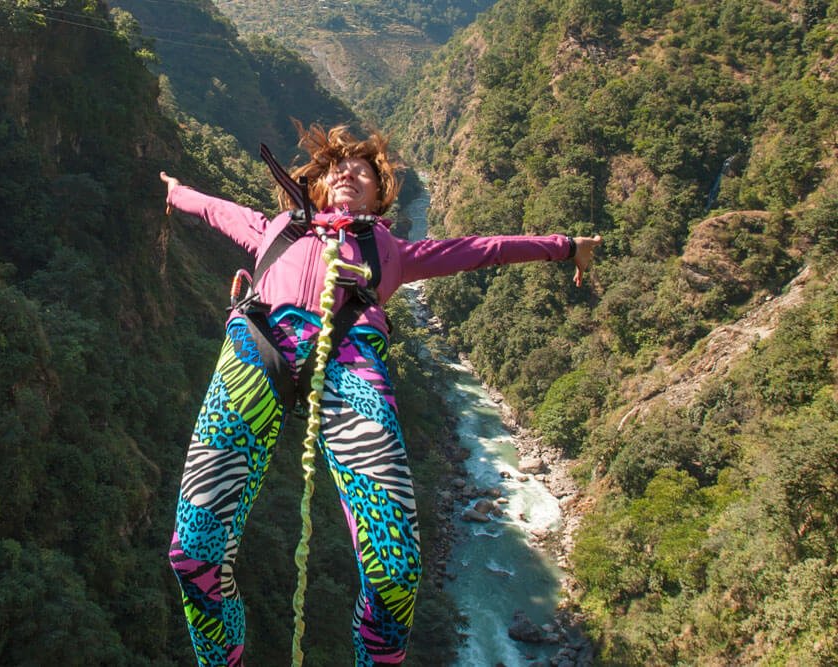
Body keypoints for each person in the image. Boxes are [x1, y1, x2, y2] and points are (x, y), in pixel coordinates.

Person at [162, 123, 602, 667]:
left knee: (395, 573)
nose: (348, 172)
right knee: (193, 555)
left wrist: (565, 248)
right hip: (257, 348)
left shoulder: (389, 248)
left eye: (362, 171)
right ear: (316, 185)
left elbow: (480, 250)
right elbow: (213, 209)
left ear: (381, 193)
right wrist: (175, 190)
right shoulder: (274, 228)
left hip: (350, 363)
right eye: (335, 168)